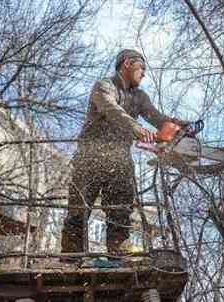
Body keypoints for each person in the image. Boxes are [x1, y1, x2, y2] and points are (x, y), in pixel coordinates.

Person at [61, 49, 187, 255]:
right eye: (142, 68)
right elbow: (112, 111)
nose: (144, 73)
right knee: (79, 211)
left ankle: (118, 252)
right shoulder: (104, 87)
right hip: (90, 156)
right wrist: (137, 130)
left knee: (121, 209)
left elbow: (154, 116)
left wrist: (175, 125)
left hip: (119, 158)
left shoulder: (140, 97)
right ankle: (72, 258)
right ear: (127, 63)